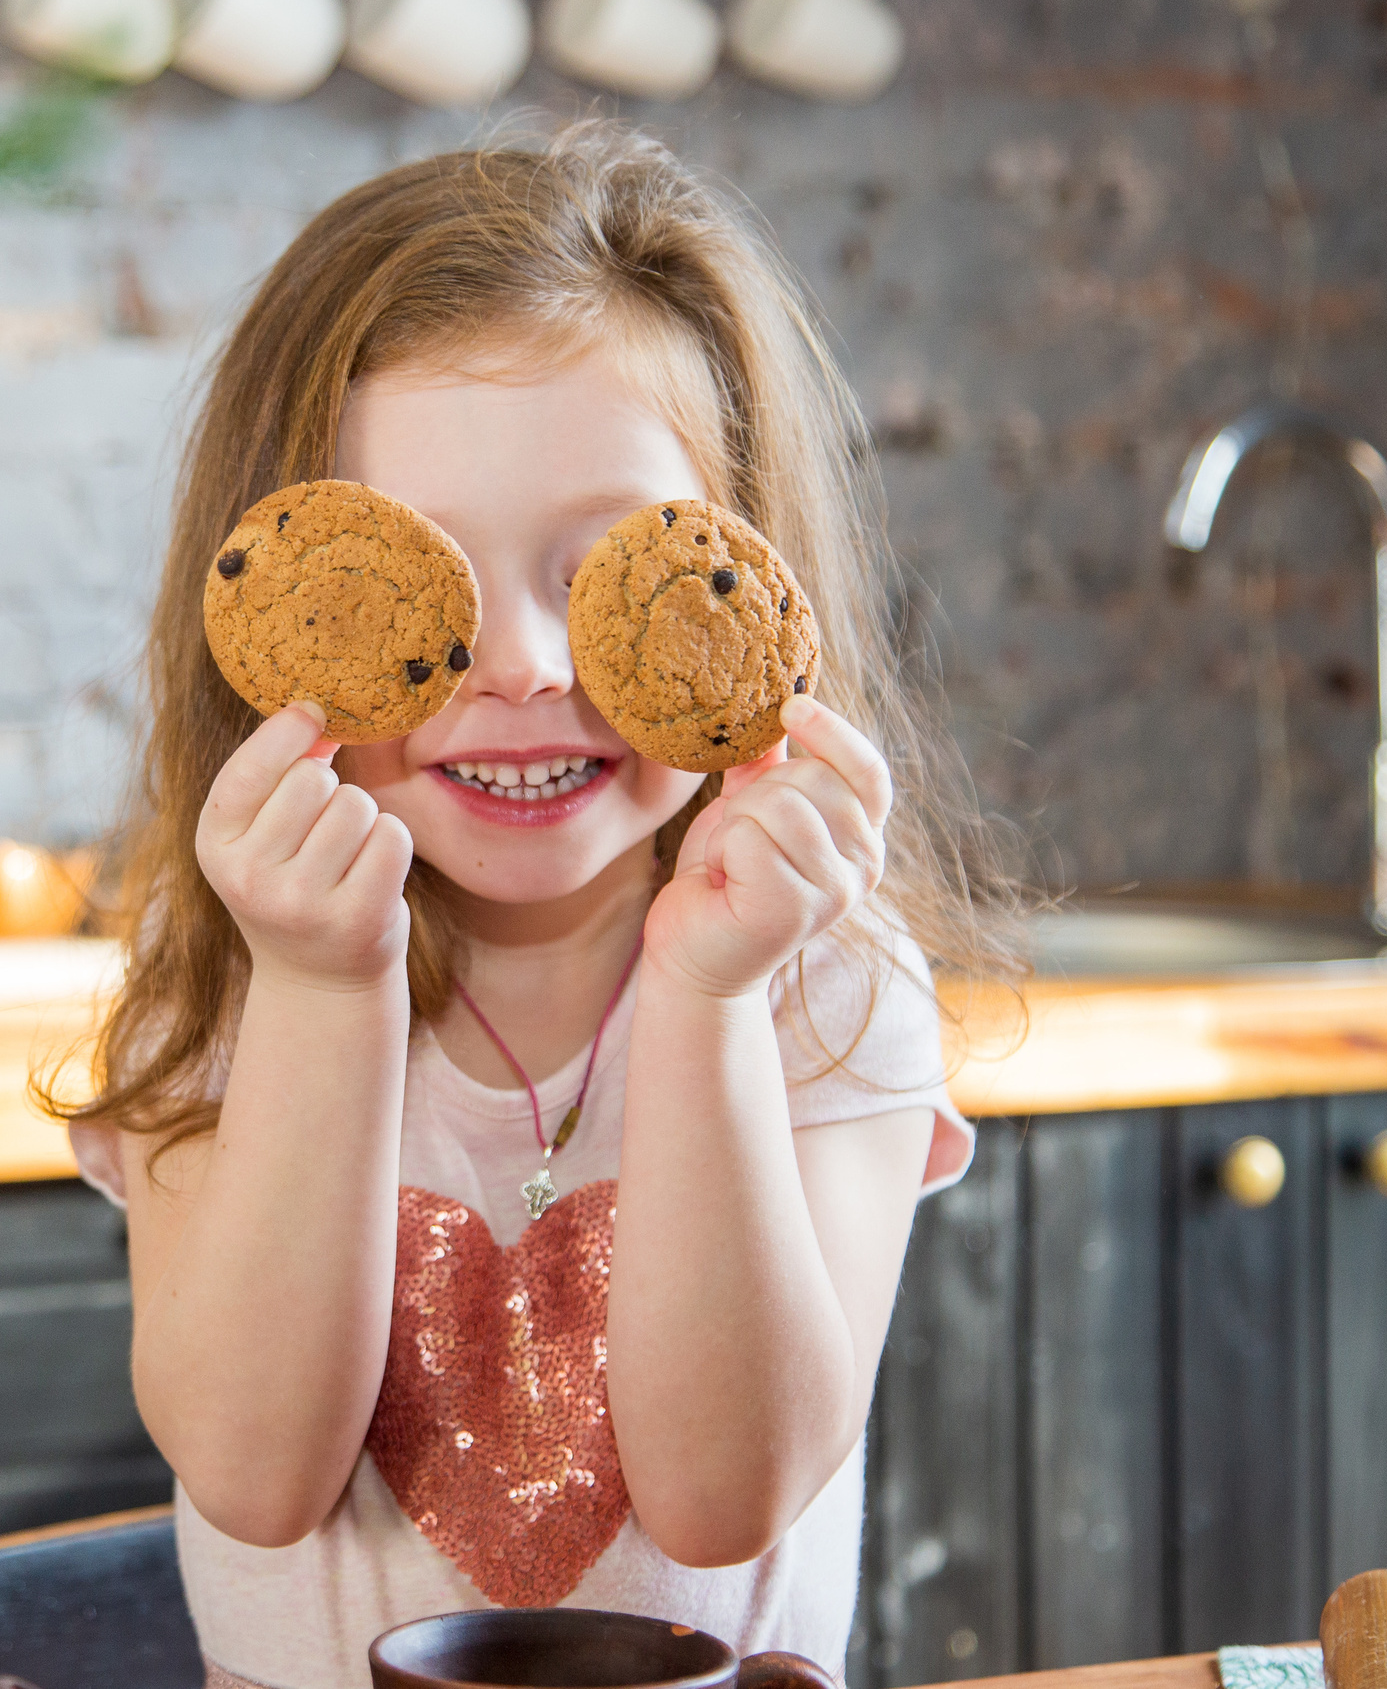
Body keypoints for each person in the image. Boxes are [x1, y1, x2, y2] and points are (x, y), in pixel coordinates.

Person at [50, 120, 1026, 1689]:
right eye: (420, 576)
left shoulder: (822, 990)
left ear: (745, 591)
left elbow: (726, 1501)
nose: (523, 665)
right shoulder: (224, 981)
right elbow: (253, 1473)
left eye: (609, 571)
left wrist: (706, 1001)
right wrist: (319, 989)